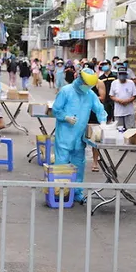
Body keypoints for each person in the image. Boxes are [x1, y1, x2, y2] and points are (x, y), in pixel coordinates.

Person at [52, 68, 108, 202]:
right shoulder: (66, 91)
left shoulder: (90, 94)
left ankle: (77, 192)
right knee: (62, 164)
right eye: (86, 84)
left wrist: (104, 123)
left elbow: (100, 109)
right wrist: (65, 117)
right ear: (80, 79)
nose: (87, 87)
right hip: (65, 135)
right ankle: (61, 192)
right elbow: (55, 109)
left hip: (79, 137)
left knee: (79, 165)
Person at [88, 68, 107, 173]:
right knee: (80, 140)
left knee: (95, 139)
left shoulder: (99, 83)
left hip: (94, 114)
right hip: (83, 114)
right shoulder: (81, 83)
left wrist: (91, 99)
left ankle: (95, 162)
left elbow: (102, 97)